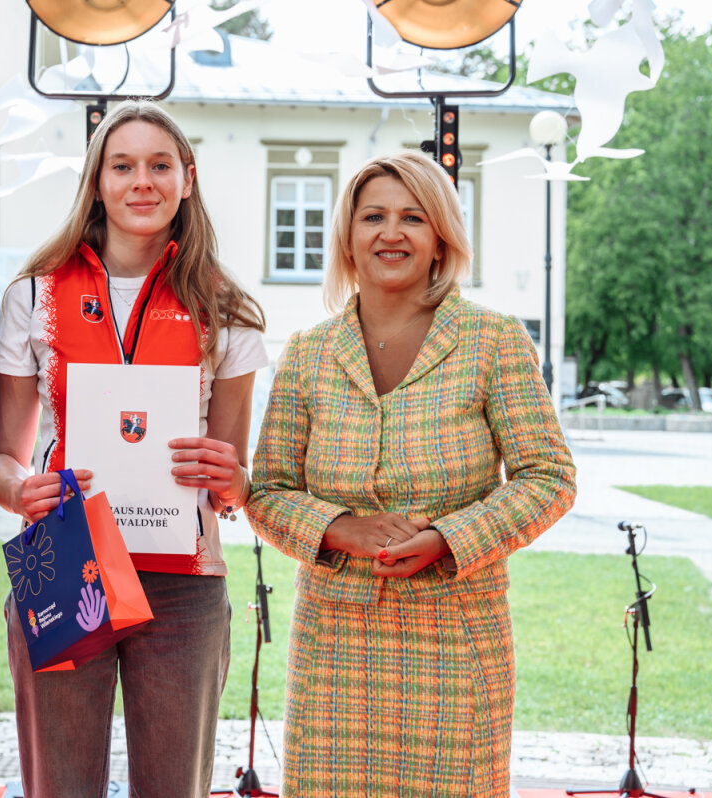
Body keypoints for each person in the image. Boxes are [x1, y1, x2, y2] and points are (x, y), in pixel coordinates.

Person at [247, 151, 576, 797]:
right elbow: (268, 491)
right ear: (348, 237)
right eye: (373, 216)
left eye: (413, 218)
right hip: (333, 648)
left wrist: (448, 539)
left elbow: (548, 477)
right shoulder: (308, 352)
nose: (390, 233)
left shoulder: (494, 340)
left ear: (440, 239)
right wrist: (340, 529)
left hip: (454, 639)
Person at [0, 100, 268, 797]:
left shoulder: (226, 307)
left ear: (187, 179)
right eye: (122, 166)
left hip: (183, 577)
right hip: (63, 558)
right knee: (60, 786)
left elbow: (232, 481)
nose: (142, 181)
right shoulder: (34, 295)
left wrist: (232, 478)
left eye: (159, 165)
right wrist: (18, 488)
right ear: (97, 181)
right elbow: (1, 459)